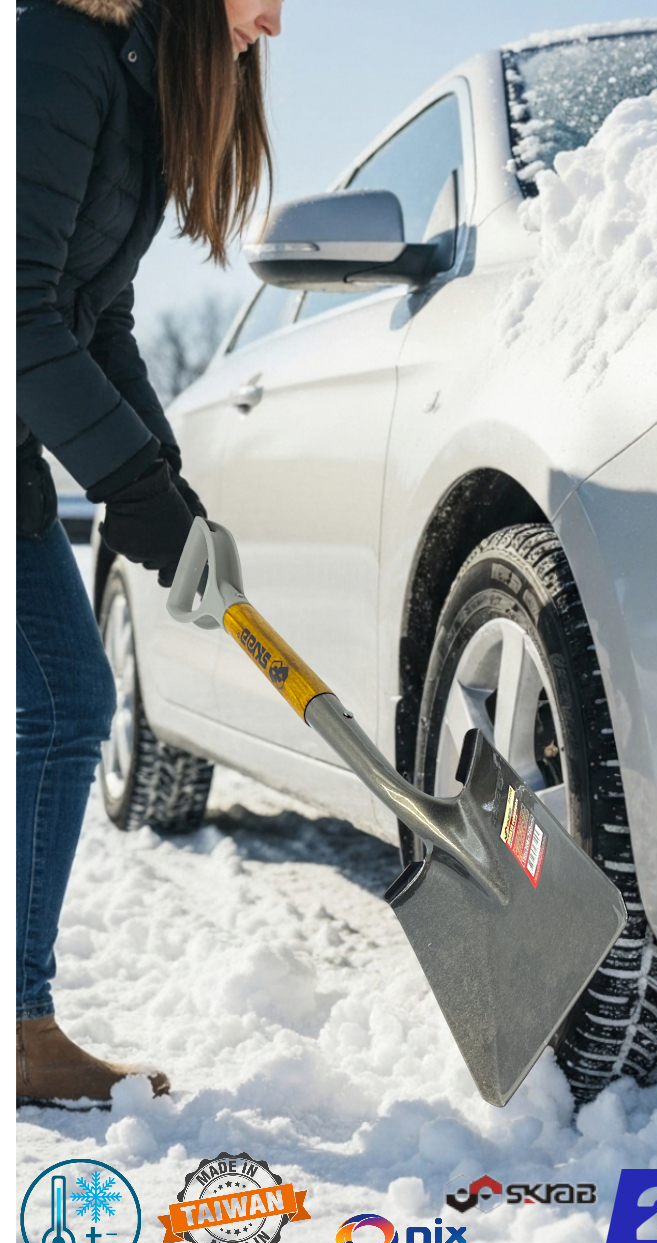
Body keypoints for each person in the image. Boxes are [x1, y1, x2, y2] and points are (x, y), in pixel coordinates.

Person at [17, 0, 283, 1108]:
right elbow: (15, 303)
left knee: (71, 698)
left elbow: (96, 311)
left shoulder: (126, 78)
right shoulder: (54, 50)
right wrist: (127, 485)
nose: (274, 22)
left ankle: (19, 1026)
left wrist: (164, 482)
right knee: (73, 697)